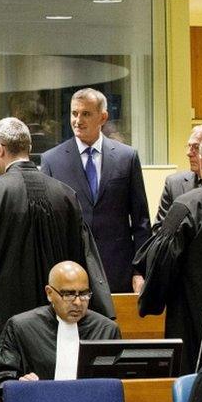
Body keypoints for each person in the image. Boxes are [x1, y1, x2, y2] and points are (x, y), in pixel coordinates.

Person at [0, 117, 114, 384]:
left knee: (3, 397)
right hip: (57, 325)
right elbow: (82, 261)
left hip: (0, 326)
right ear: (28, 147)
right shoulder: (65, 194)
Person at [0, 261, 121, 402]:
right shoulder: (21, 327)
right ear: (49, 293)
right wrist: (19, 385)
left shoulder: (106, 329)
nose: (78, 302)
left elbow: (121, 384)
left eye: (84, 294)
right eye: (69, 294)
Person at [41, 88, 151, 293]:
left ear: (103, 117)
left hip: (117, 270)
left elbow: (141, 222)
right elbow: (46, 225)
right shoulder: (52, 160)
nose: (78, 120)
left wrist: (139, 271)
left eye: (86, 114)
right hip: (69, 269)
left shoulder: (126, 157)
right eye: (74, 113)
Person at [133, 127, 202, 375]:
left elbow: (162, 262)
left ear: (201, 160)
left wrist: (149, 300)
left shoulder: (188, 205)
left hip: (196, 325)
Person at [153, 124, 202, 233]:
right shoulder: (174, 184)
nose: (189, 153)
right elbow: (159, 230)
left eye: (196, 147)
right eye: (189, 146)